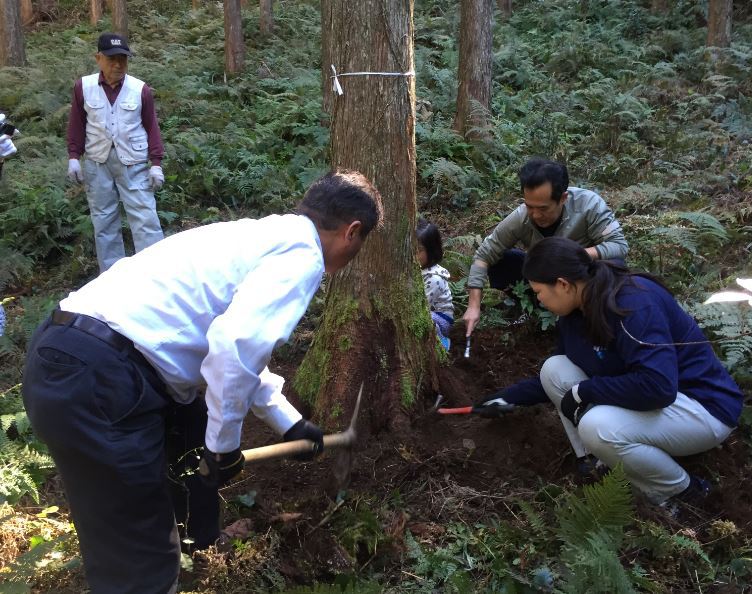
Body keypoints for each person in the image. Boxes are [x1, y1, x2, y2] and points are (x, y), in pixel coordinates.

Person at [22, 170, 383, 593]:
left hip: (73, 353)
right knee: (139, 560)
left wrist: (288, 422)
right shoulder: (303, 258)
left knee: (190, 446)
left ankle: (198, 549)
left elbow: (232, 344)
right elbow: (234, 348)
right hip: (102, 379)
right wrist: (223, 446)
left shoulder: (259, 236)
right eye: (360, 245)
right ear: (352, 231)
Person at [491, 237, 743, 509]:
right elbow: (561, 379)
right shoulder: (576, 312)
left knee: (596, 425)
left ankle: (680, 491)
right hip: (660, 403)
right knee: (555, 368)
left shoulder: (633, 305)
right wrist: (509, 398)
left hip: (701, 408)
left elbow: (659, 386)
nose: (538, 300)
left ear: (563, 284)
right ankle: (597, 463)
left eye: (539, 292)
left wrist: (585, 391)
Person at [462, 158, 628, 337]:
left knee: (613, 263)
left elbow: (619, 246)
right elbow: (484, 255)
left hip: (581, 280)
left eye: (543, 208)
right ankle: (536, 311)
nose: (535, 215)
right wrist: (473, 305)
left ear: (563, 198)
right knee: (503, 261)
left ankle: (594, 316)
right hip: (544, 280)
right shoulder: (521, 217)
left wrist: (577, 256)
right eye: (529, 206)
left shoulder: (589, 206)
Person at [66, 33, 166, 273]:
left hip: (134, 162)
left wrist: (156, 163)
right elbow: (77, 125)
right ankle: (112, 278)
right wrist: (73, 157)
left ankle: (157, 275)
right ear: (98, 58)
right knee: (104, 221)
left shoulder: (140, 89)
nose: (118, 64)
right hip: (97, 163)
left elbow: (151, 126)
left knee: (145, 217)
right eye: (112, 59)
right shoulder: (84, 87)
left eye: (123, 58)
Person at [417, 218, 454, 350]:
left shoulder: (434, 279)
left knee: (424, 319)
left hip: (441, 319)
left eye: (419, 250)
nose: (414, 254)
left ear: (431, 250)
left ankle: (442, 345)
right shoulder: (418, 268)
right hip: (430, 313)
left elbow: (421, 306)